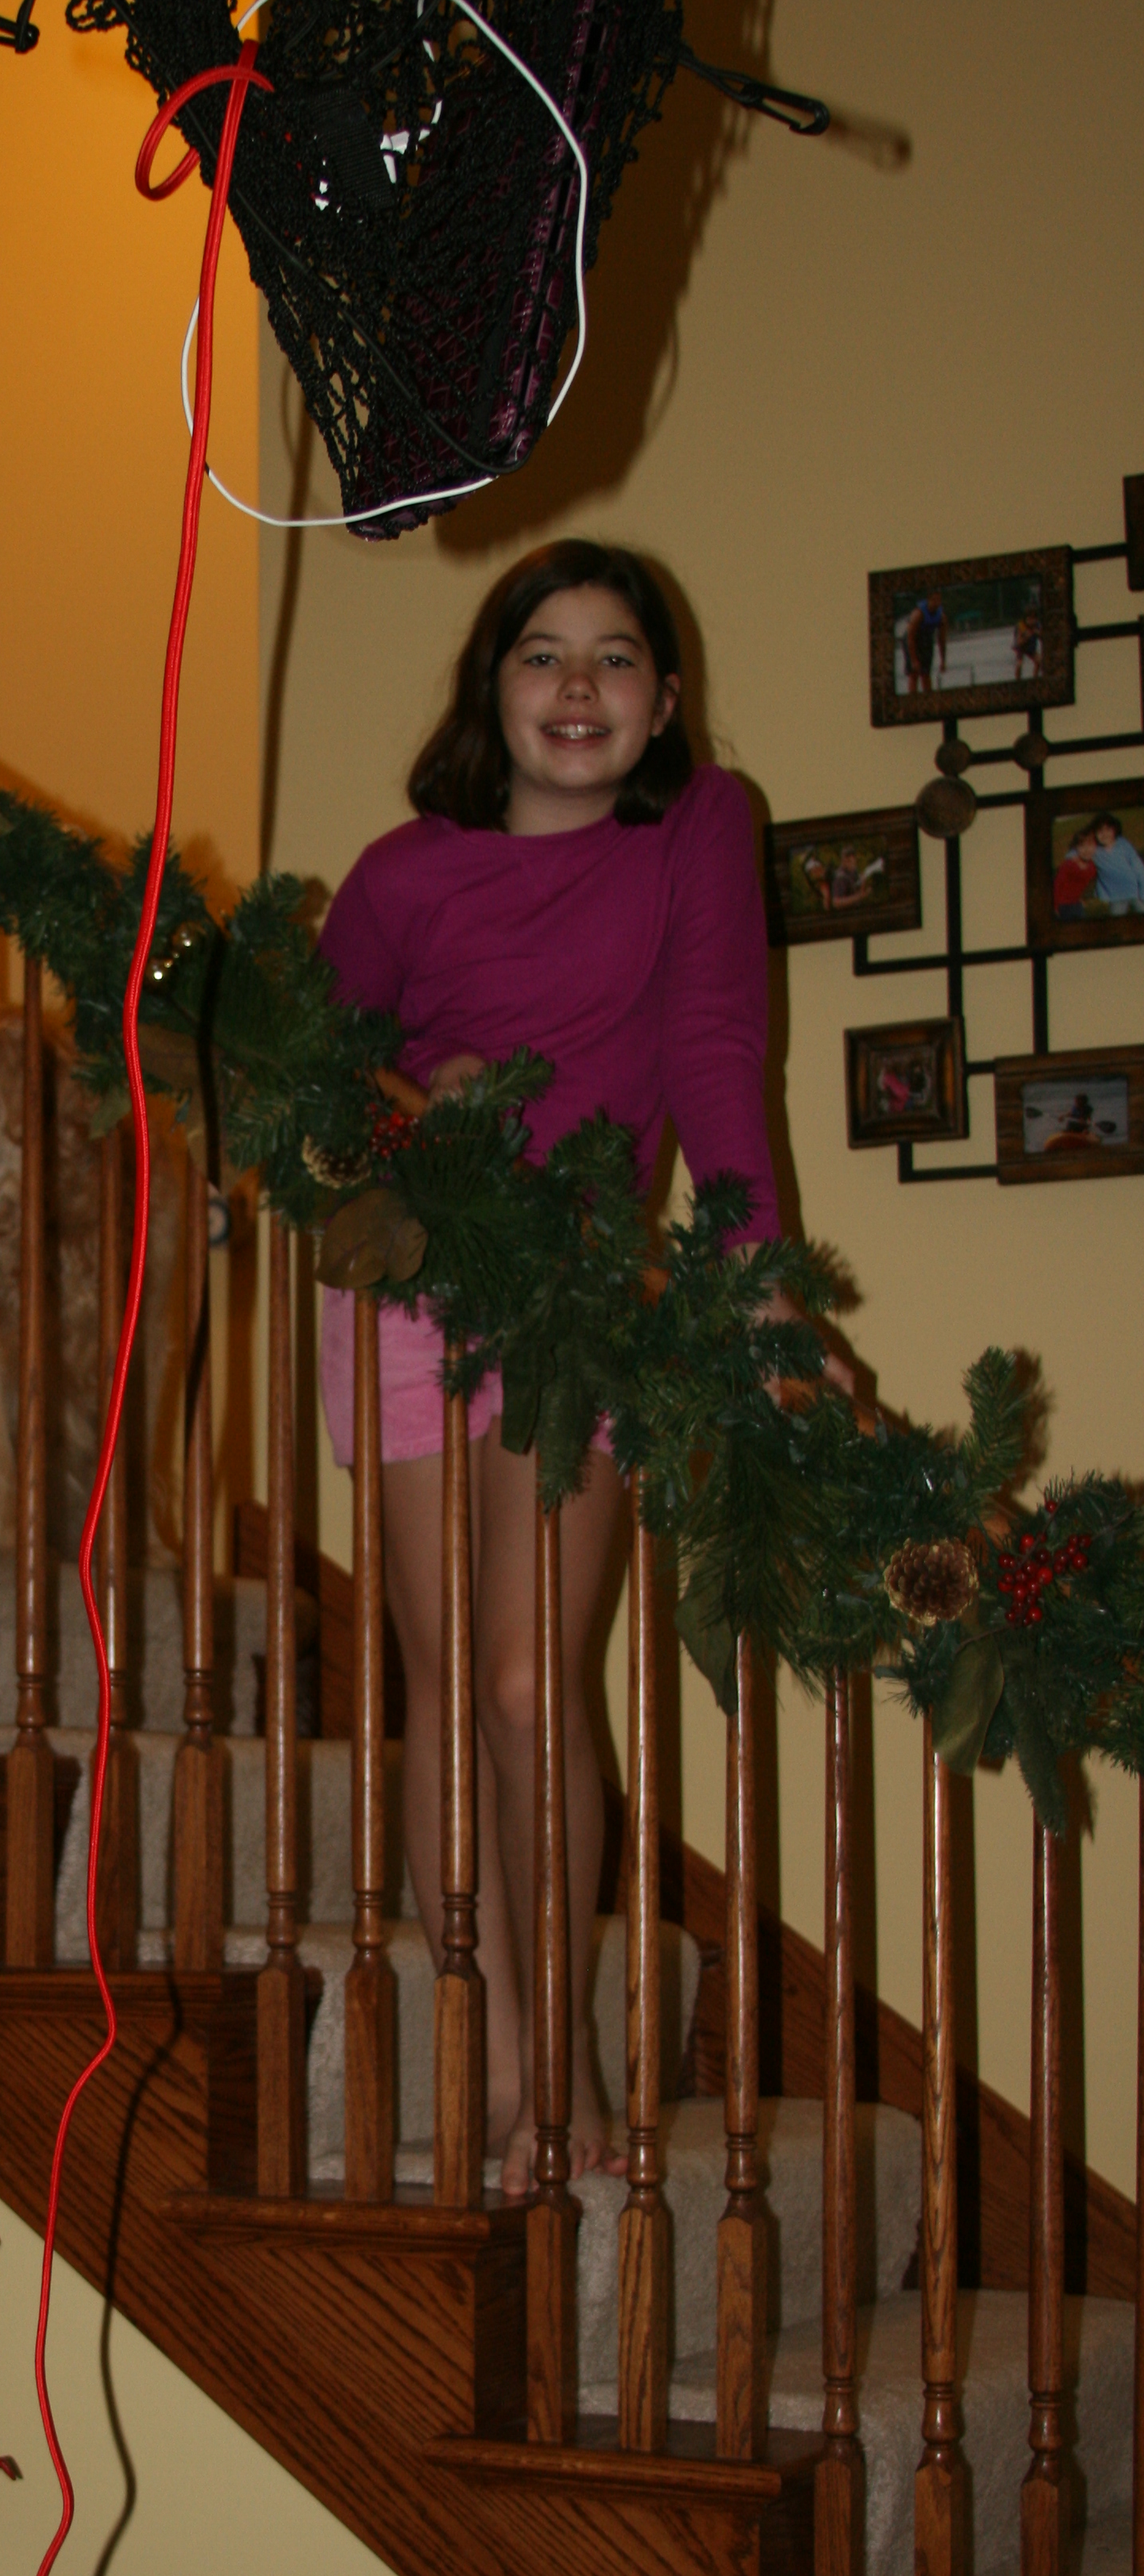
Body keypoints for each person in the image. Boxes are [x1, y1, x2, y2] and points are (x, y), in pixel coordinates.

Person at [317, 541, 833, 2196]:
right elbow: (306, 1092)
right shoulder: (401, 874)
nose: (579, 686)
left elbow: (715, 1047)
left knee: (533, 1682)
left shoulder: (701, 830)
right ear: (494, 688)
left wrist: (759, 1280)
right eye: (542, 652)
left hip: (586, 1298)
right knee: (443, 1680)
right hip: (408, 1285)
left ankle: (570, 2047)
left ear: (665, 701)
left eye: (617, 657)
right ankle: (487, 2048)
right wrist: (419, 1099)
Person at [1089, 811, 1144, 912]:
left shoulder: (1123, 844)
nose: (1104, 834)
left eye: (1108, 830)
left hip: (1134, 890)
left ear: (1115, 830)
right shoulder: (1095, 851)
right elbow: (1078, 852)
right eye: (1100, 831)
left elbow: (1138, 867)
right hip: (1115, 896)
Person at [1052, 824, 1099, 920]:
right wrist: (1055, 906)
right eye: (1082, 846)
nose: (1086, 850)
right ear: (1076, 848)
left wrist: (1079, 899)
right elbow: (1057, 885)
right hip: (1063, 905)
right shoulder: (1069, 865)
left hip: (1076, 903)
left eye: (1090, 845)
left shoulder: (1092, 867)